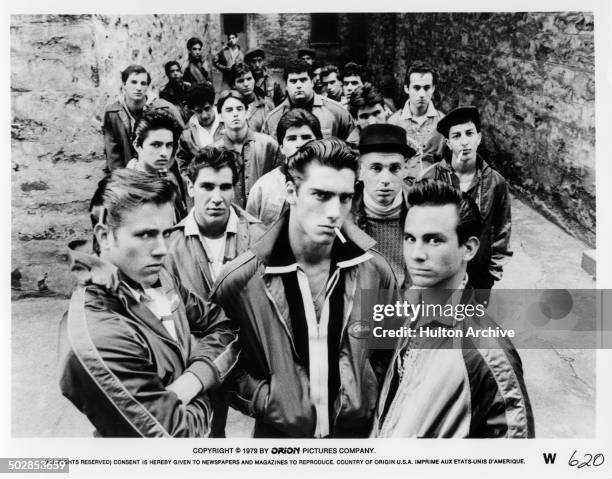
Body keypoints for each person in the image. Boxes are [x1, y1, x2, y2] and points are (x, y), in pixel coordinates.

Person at [212, 138, 399, 438]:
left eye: (345, 198)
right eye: (321, 195)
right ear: (291, 192)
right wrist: (266, 399)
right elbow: (218, 357)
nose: (334, 211)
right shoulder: (241, 279)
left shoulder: (376, 271)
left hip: (355, 443)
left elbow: (390, 351)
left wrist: (366, 390)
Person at [58, 169, 238, 437]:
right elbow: (177, 440)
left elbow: (223, 326)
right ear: (104, 235)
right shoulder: (97, 335)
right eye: (145, 235)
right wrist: (209, 379)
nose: (162, 249)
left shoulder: (155, 275)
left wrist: (193, 380)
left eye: (166, 233)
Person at [372, 179, 534, 438]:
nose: (416, 253)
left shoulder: (488, 353)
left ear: (468, 248)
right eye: (410, 238)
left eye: (434, 240)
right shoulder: (402, 312)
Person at [165, 146, 264, 437]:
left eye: (225, 187)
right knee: (208, 438)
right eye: (207, 186)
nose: (216, 197)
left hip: (251, 360)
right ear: (191, 186)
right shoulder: (170, 247)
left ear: (235, 189)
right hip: (200, 363)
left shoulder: (261, 238)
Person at [417, 106, 512, 291]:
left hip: (479, 276)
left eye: (469, 133)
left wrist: (491, 273)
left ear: (479, 137)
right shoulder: (429, 178)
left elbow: (503, 229)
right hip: (438, 272)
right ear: (448, 143)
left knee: (472, 319)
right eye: (457, 136)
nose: (464, 142)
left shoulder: (496, 182)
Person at [350, 124, 416, 284]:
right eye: (376, 168)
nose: (385, 180)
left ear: (405, 169)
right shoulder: (344, 213)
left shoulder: (421, 209)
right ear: (360, 170)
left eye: (394, 168)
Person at [246, 108, 323, 226]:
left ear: (318, 142)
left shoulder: (329, 183)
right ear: (281, 147)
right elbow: (250, 232)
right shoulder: (263, 187)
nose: (299, 144)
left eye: (306, 137)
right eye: (292, 138)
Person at [103, 64, 185, 171]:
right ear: (124, 85)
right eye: (133, 82)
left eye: (143, 83)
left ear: (147, 87)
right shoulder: (112, 113)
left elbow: (183, 141)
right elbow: (113, 154)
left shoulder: (164, 108)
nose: (138, 88)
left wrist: (166, 165)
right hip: (129, 173)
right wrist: (122, 179)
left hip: (161, 171)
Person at [214, 90, 280, 208]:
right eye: (229, 110)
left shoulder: (268, 145)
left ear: (247, 112)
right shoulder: (213, 152)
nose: (235, 114)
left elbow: (279, 186)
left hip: (263, 217)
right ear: (220, 116)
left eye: (239, 109)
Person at [263, 59, 353, 141]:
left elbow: (352, 146)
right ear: (286, 85)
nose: (298, 85)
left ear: (312, 82)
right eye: (293, 81)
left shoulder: (337, 112)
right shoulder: (273, 119)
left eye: (303, 80)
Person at [125, 109, 188, 221]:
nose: (164, 153)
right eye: (156, 145)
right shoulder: (124, 188)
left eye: (169, 145)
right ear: (137, 145)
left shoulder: (170, 180)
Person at [388, 60, 446, 178]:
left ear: (433, 88)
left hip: (433, 187)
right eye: (416, 88)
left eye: (426, 88)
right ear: (406, 88)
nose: (421, 94)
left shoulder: (443, 122)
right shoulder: (393, 122)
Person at [175, 82, 224, 176]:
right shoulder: (187, 134)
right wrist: (191, 181)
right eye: (198, 111)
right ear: (192, 110)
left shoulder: (225, 121)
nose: (204, 115)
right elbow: (182, 162)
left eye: (207, 109)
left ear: (213, 104)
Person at [229, 62, 274, 133]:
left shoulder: (266, 105)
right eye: (240, 81)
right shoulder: (228, 108)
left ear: (254, 80)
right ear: (233, 85)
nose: (246, 84)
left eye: (249, 79)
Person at [345, 82, 390, 147]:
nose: (372, 122)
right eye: (364, 116)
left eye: (376, 113)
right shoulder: (350, 150)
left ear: (386, 110)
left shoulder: (402, 138)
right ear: (355, 120)